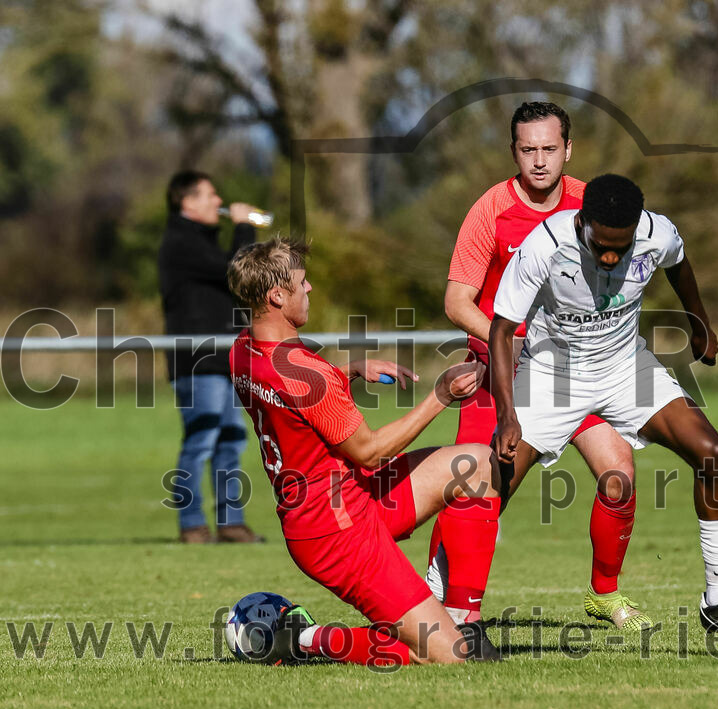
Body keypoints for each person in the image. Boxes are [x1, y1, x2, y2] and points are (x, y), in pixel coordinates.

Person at [489, 174, 718, 650]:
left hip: (625, 367)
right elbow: (501, 331)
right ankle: (438, 602)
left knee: (713, 453)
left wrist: (699, 322)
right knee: (489, 487)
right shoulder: (544, 245)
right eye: (601, 245)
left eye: (620, 248)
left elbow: (680, 264)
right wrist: (507, 414)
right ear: (583, 222)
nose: (610, 256)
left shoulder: (656, 233)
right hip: (552, 374)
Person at [226, 237, 503, 665]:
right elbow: (370, 452)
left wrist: (347, 372)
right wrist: (441, 395)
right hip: (337, 532)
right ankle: (298, 637)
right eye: (302, 282)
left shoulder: (242, 350)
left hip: (347, 498)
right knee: (447, 657)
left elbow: (288, 396)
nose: (310, 289)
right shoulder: (309, 376)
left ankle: (461, 615)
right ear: (277, 295)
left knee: (476, 465)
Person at [429, 101, 649, 632]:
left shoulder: (590, 204)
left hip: (577, 372)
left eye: (550, 149)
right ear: (514, 152)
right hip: (498, 374)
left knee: (618, 471)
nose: (540, 161)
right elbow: (458, 302)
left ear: (568, 150)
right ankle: (437, 597)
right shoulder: (490, 210)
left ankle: (604, 595)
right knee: (475, 489)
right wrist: (519, 346)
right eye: (528, 150)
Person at [158, 170, 265, 544]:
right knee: (201, 440)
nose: (217, 202)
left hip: (220, 358)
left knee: (230, 441)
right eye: (209, 195)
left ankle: (230, 523)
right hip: (195, 361)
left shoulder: (199, 240)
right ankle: (191, 525)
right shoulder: (180, 241)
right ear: (187, 202)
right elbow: (236, 271)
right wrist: (242, 226)